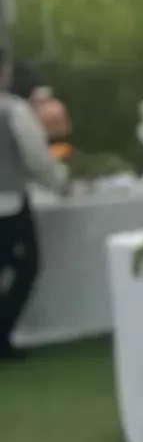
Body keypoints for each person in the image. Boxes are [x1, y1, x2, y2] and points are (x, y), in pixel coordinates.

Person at [0, 50, 68, 360]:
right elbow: (37, 157)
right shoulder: (12, 110)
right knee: (27, 266)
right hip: (8, 202)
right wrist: (59, 183)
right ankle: (2, 336)